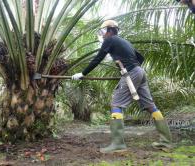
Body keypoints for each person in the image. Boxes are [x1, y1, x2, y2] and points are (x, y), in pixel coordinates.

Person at [71, 20, 172, 153]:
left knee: (116, 105)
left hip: (131, 74)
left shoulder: (110, 40)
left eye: (102, 32)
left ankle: (118, 144)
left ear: (109, 30)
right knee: (150, 106)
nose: (102, 35)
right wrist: (128, 68)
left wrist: (82, 73)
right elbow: (140, 58)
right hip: (140, 72)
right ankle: (166, 142)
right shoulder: (125, 41)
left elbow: (98, 58)